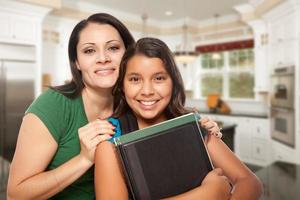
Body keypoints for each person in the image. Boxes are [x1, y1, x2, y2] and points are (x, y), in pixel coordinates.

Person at [94, 37, 263, 200]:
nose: (147, 91)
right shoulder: (109, 141)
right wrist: (208, 195)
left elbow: (249, 182)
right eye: (135, 79)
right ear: (122, 86)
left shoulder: (194, 126)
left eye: (159, 78)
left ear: (173, 83)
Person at [6, 13, 135, 199]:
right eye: (89, 51)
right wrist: (83, 159)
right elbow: (16, 194)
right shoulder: (53, 105)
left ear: (127, 54)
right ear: (77, 62)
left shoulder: (132, 104)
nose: (103, 58)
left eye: (113, 48)